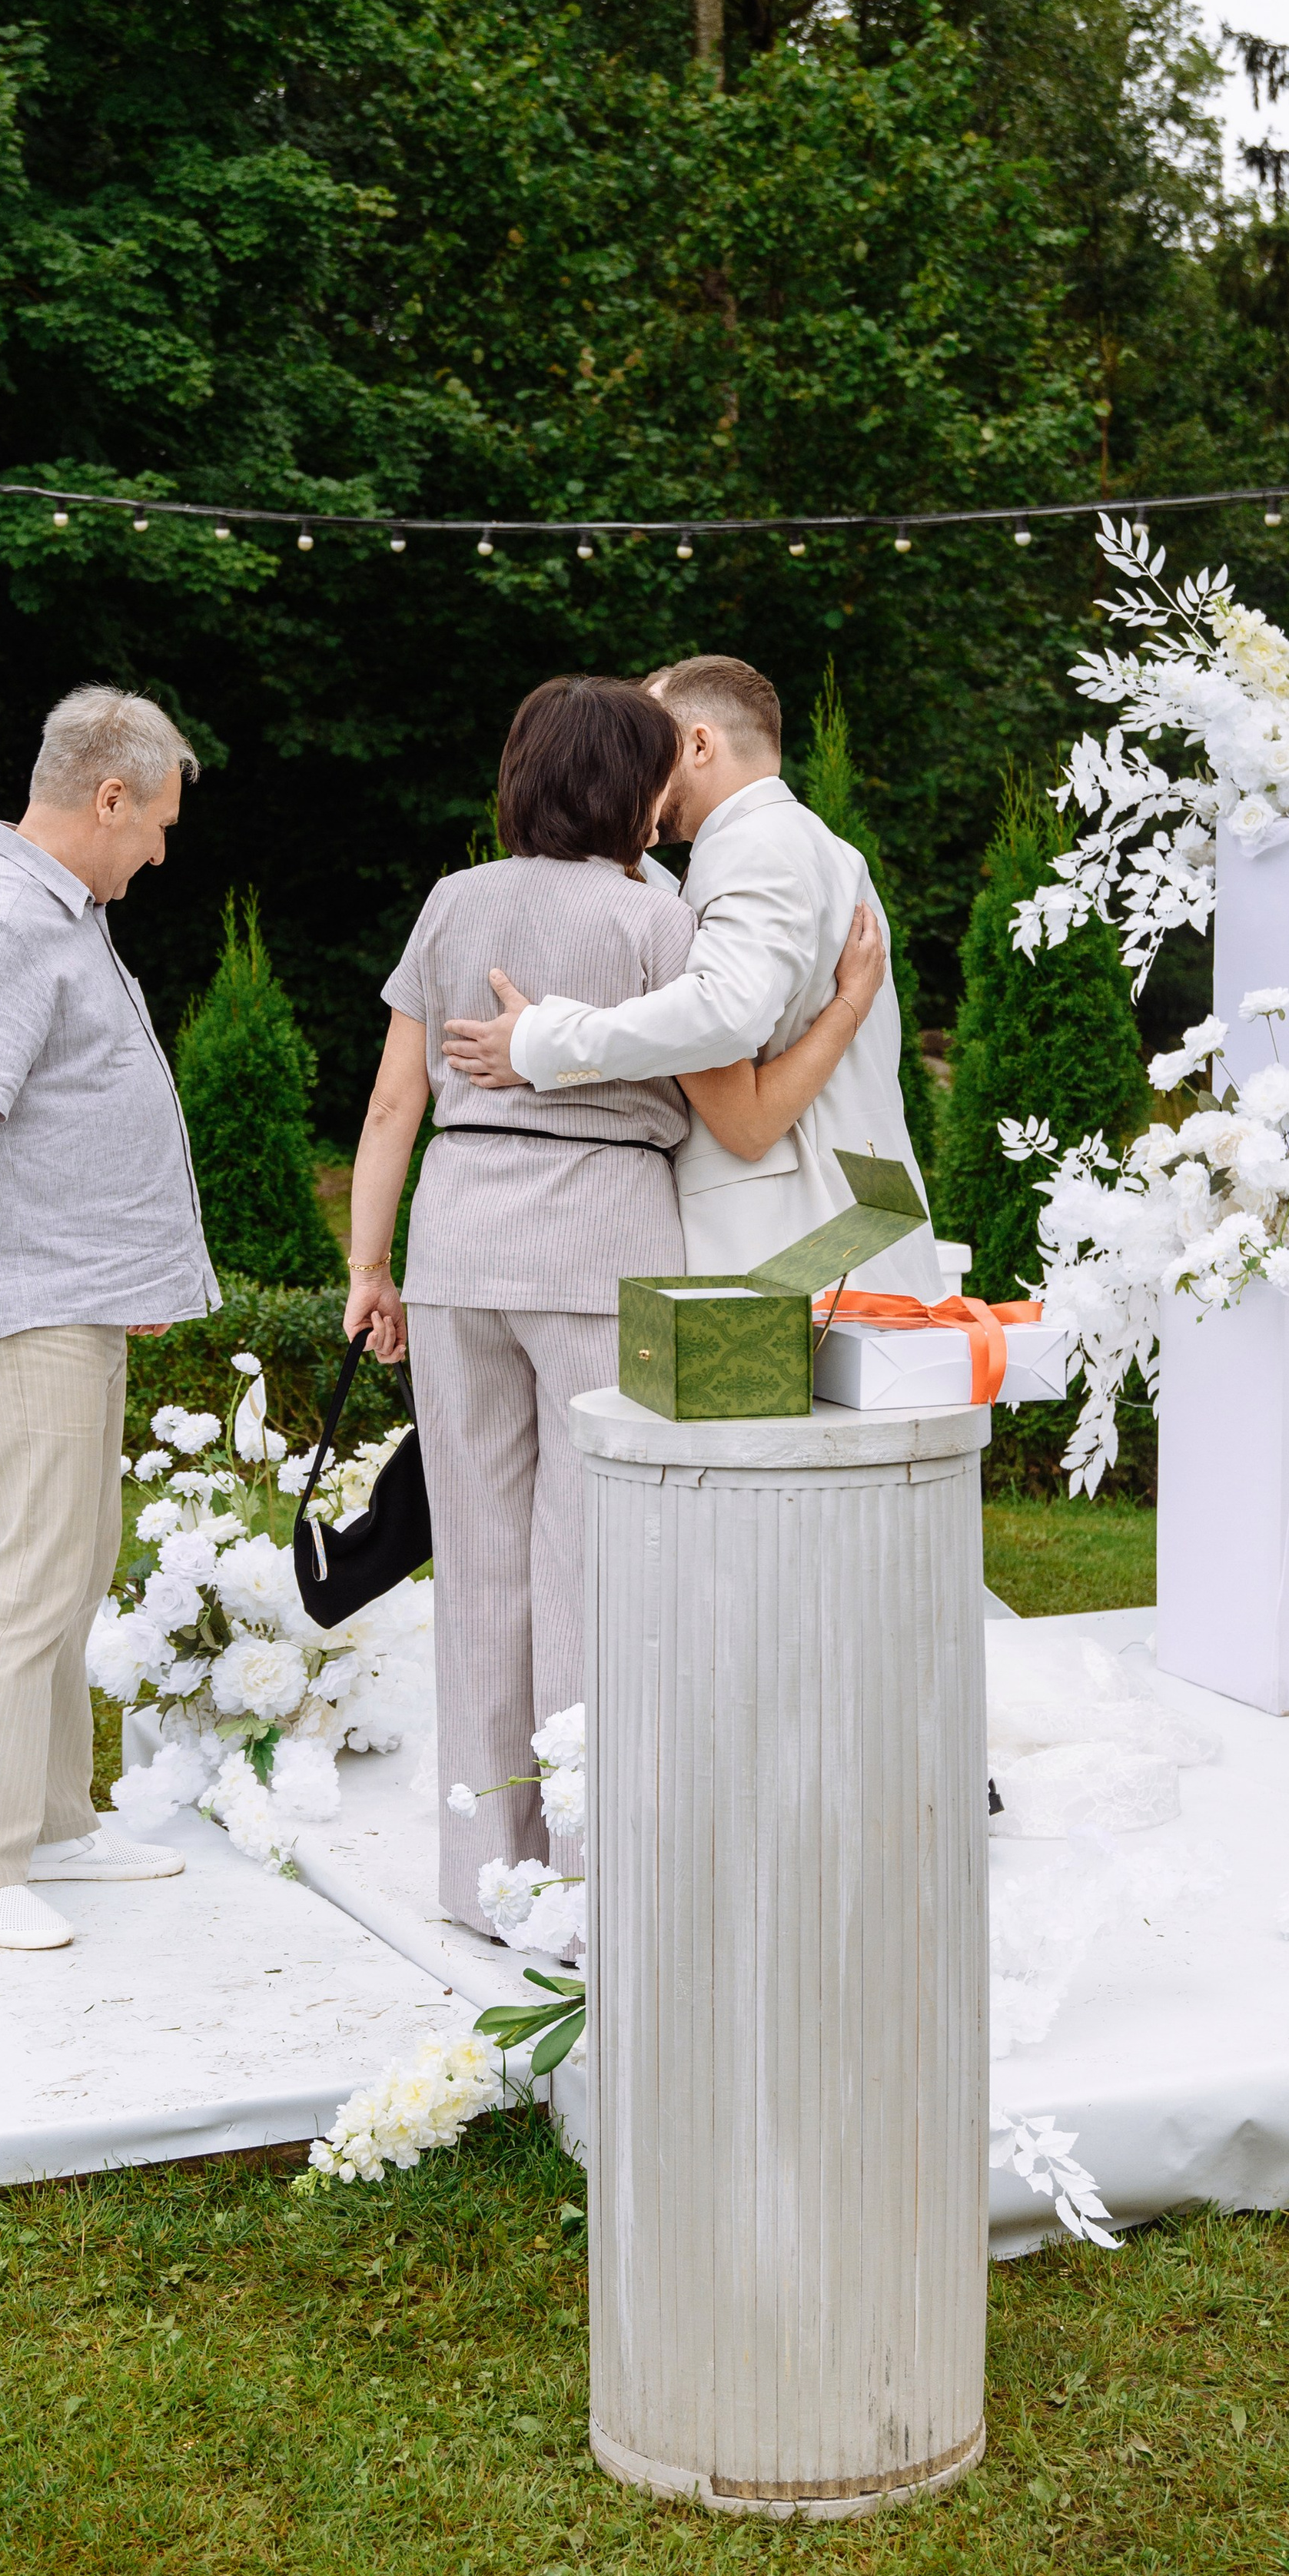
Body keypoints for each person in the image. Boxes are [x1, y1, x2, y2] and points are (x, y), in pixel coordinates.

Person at [345, 673, 885, 1933]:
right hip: (604, 1250)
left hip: (460, 1243)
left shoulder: (451, 903)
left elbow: (389, 1107)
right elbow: (742, 1117)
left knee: (476, 1561)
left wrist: (371, 1272)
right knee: (589, 1570)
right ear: (642, 791)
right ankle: (592, 1880)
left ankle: (485, 1876)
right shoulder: (661, 924)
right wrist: (853, 1006)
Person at [0, 688, 220, 1954]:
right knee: (27, 1578)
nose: (162, 852)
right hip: (25, 1309)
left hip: (74, 1299)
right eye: (159, 823)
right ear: (109, 797)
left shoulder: (54, 914)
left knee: (75, 1568)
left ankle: (54, 1826)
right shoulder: (1, 924)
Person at [444, 652, 942, 1298]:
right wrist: (849, 1005)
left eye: (652, 746)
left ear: (700, 744)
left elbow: (723, 1016)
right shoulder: (819, 847)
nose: (638, 767)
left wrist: (538, 1042)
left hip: (787, 1236)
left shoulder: (754, 846)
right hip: (852, 1217)